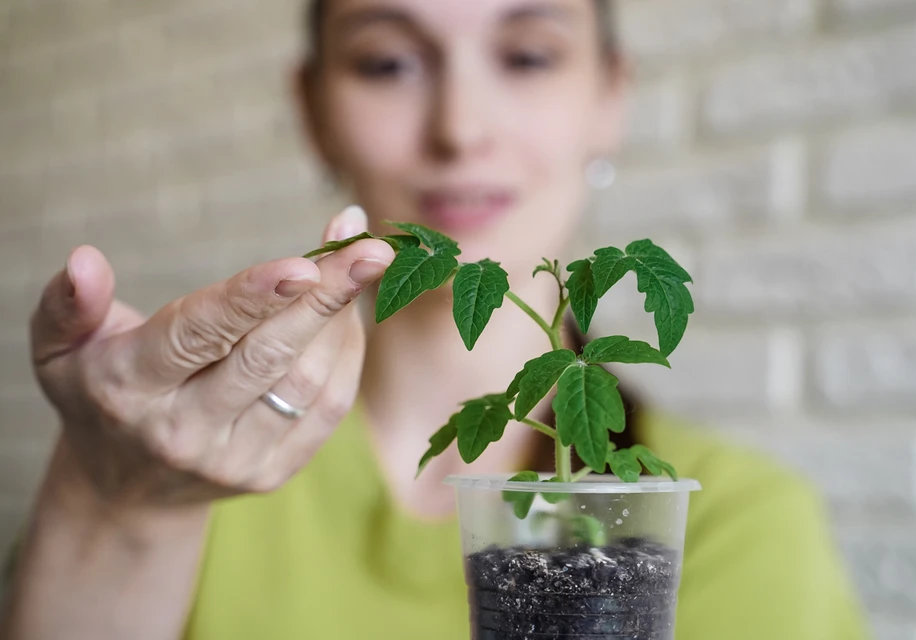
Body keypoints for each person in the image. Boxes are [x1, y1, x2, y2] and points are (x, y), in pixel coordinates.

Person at [1, 0, 871, 638]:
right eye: (387, 63)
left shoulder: (729, 526)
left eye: (527, 55)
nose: (460, 129)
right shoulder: (186, 462)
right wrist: (113, 502)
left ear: (611, 95)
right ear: (313, 110)